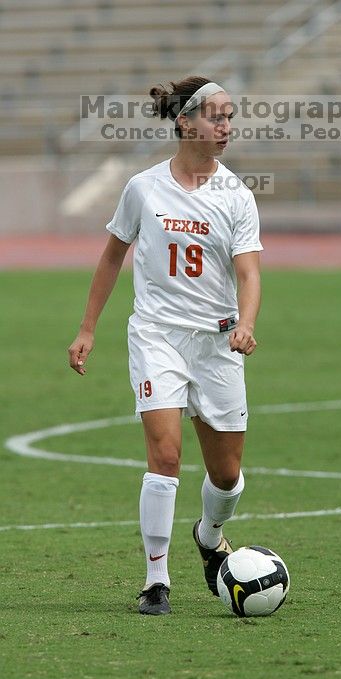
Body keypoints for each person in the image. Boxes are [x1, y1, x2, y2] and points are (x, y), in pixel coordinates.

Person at [68, 76, 263, 615]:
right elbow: (112, 256)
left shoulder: (237, 195)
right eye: (215, 116)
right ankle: (157, 580)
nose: (225, 127)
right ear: (184, 122)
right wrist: (88, 328)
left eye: (229, 117)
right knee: (167, 456)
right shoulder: (143, 188)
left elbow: (248, 273)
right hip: (157, 335)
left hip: (218, 341)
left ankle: (210, 532)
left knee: (226, 475)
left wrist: (245, 324)